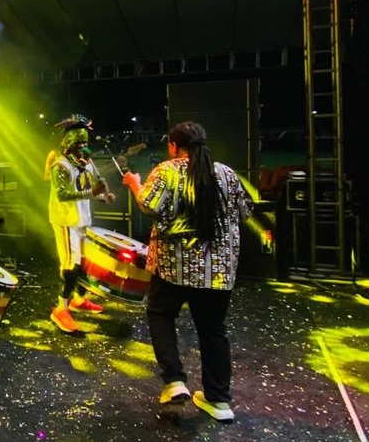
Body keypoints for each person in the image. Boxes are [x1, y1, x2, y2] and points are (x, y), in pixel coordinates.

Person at [122, 121, 252, 422]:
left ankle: (174, 381)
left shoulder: (167, 171)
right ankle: (219, 401)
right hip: (216, 271)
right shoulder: (226, 173)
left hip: (173, 267)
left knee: (160, 314)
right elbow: (245, 212)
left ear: (173, 146)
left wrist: (134, 184)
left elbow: (149, 206)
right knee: (213, 331)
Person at [46, 115, 114, 334]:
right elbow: (63, 195)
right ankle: (60, 309)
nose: (82, 147)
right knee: (72, 265)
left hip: (82, 219)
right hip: (66, 221)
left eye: (84, 143)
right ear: (68, 143)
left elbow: (88, 189)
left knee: (84, 262)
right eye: (78, 143)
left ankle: (78, 299)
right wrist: (93, 192)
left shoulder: (87, 163)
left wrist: (104, 196)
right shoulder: (60, 166)